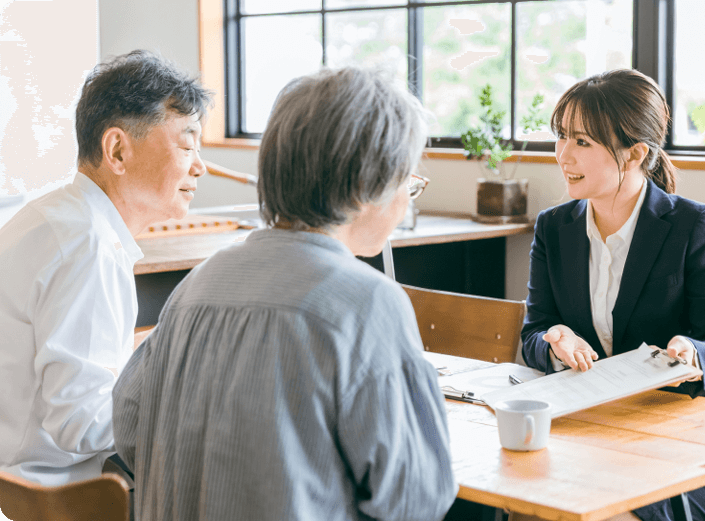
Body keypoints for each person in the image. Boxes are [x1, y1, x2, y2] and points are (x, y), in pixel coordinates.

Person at [112, 67, 457, 521]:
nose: (406, 199)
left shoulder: (199, 284)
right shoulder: (367, 302)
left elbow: (130, 428)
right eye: (407, 180)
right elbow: (415, 497)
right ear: (370, 183)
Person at [520, 68, 705, 521]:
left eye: (583, 142)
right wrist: (557, 341)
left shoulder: (695, 225)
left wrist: (691, 354)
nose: (563, 155)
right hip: (600, 431)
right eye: (561, 137)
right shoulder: (554, 227)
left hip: (700, 436)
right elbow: (534, 333)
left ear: (635, 154)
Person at [0, 50, 212, 486]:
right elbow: (82, 421)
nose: (200, 166)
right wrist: (187, 400)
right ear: (117, 149)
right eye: (187, 144)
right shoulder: (88, 246)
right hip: (44, 495)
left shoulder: (56, 216)